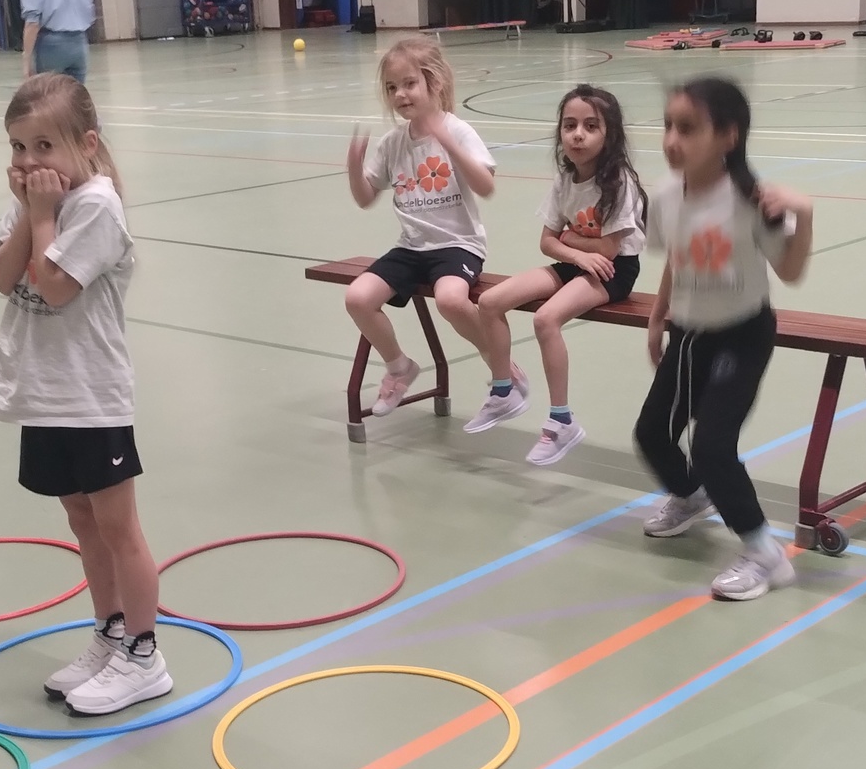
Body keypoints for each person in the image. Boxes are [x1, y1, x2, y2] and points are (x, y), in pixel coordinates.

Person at [0, 73, 170, 715]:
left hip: (91, 395)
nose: (28, 161)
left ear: (86, 144)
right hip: (46, 393)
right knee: (81, 519)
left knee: (119, 527)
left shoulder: (95, 205)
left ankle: (144, 655)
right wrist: (29, 213)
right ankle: (110, 631)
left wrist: (40, 216)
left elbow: (55, 286)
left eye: (44, 146)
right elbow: (3, 277)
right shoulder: (31, 202)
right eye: (18, 146)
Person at [634, 75, 814, 602]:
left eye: (688, 128)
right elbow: (678, 258)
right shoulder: (665, 197)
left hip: (742, 335)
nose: (672, 140)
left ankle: (765, 554)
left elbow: (792, 271)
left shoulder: (751, 200)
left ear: (728, 136)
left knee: (713, 445)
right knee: (652, 434)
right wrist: (658, 315)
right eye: (668, 126)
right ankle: (691, 497)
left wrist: (805, 214)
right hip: (689, 335)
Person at [465, 85, 646, 465]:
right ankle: (504, 390)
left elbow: (608, 250)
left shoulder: (620, 182)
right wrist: (574, 250)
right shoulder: (566, 179)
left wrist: (570, 240)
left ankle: (562, 421)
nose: (578, 134)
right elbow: (547, 242)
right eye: (570, 125)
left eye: (591, 126)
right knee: (490, 302)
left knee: (546, 319)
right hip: (577, 262)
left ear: (609, 134)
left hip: (614, 270)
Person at [344, 36, 508, 414]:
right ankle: (399, 367)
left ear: (434, 83)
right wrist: (354, 167)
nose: (400, 94)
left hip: (457, 245)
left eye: (409, 83)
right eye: (391, 87)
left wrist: (449, 145)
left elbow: (486, 187)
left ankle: (501, 365)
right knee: (358, 298)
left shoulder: (458, 130)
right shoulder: (392, 142)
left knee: (451, 300)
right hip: (411, 247)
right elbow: (365, 198)